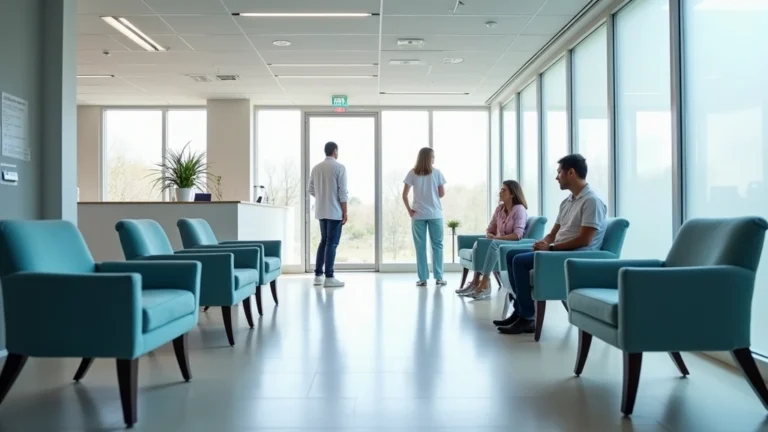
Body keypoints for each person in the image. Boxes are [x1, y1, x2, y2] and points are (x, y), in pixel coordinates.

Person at [496, 154, 607, 335]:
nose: (556, 177)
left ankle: (527, 317)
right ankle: (520, 311)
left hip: (574, 255)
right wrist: (544, 242)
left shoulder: (591, 201)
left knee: (519, 261)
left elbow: (585, 240)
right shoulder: (567, 202)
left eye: (559, 173)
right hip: (557, 251)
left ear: (571, 173)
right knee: (511, 255)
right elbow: (554, 233)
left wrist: (551, 248)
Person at [456, 180, 528, 300]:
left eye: (503, 190)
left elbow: (517, 235)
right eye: (500, 189)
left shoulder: (519, 209)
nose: (500, 192)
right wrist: (490, 234)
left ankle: (483, 283)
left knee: (493, 244)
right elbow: (490, 228)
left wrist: (497, 238)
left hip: (512, 245)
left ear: (513, 194)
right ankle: (475, 282)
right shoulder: (499, 209)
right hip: (498, 242)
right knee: (480, 243)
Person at [402, 147, 447, 286]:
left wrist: (410, 210)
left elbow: (404, 195)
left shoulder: (412, 173)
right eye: (433, 157)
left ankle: (423, 279)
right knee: (437, 246)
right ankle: (439, 277)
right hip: (435, 214)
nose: (434, 159)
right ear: (428, 158)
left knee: (420, 247)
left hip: (418, 215)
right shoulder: (437, 173)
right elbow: (441, 194)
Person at [308, 142, 348, 288]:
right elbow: (342, 192)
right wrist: (345, 211)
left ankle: (318, 275)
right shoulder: (339, 167)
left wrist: (322, 196)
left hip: (321, 210)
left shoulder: (316, 168)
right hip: (335, 211)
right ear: (335, 151)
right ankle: (329, 277)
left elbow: (311, 189)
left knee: (323, 241)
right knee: (332, 243)